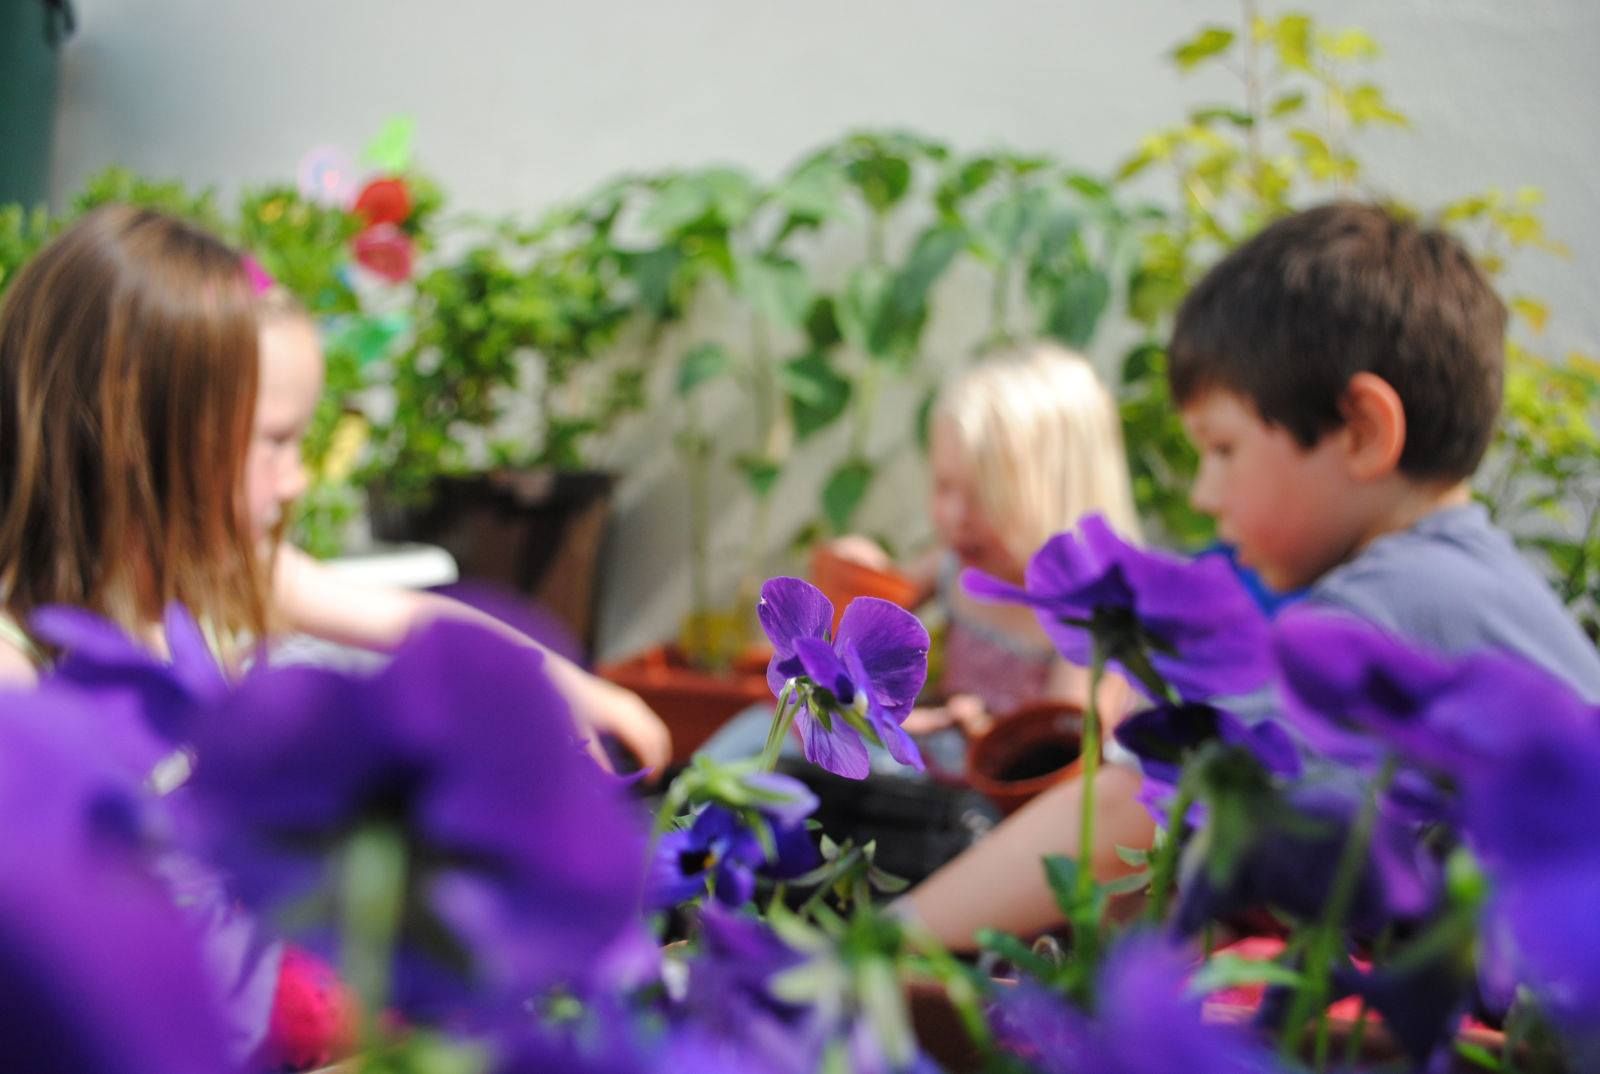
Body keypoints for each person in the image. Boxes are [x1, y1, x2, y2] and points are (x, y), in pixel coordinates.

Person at [900, 200, 1600, 950]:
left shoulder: (1401, 603)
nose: (1204, 494)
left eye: (1223, 449)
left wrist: (885, 942)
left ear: (1362, 433)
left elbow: (1144, 799)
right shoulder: (1458, 581)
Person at [0, 204, 671, 774]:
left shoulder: (217, 578)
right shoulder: (17, 669)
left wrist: (567, 689)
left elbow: (412, 622)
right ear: (134, 432)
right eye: (275, 440)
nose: (297, 479)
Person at [829, 342, 1143, 770]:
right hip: (940, 771)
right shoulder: (955, 563)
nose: (955, 516)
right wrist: (860, 571)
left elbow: (1062, 754)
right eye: (944, 486)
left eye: (982, 497)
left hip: (1020, 801)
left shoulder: (1090, 616)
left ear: (1062, 494)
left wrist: (970, 729)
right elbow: (878, 608)